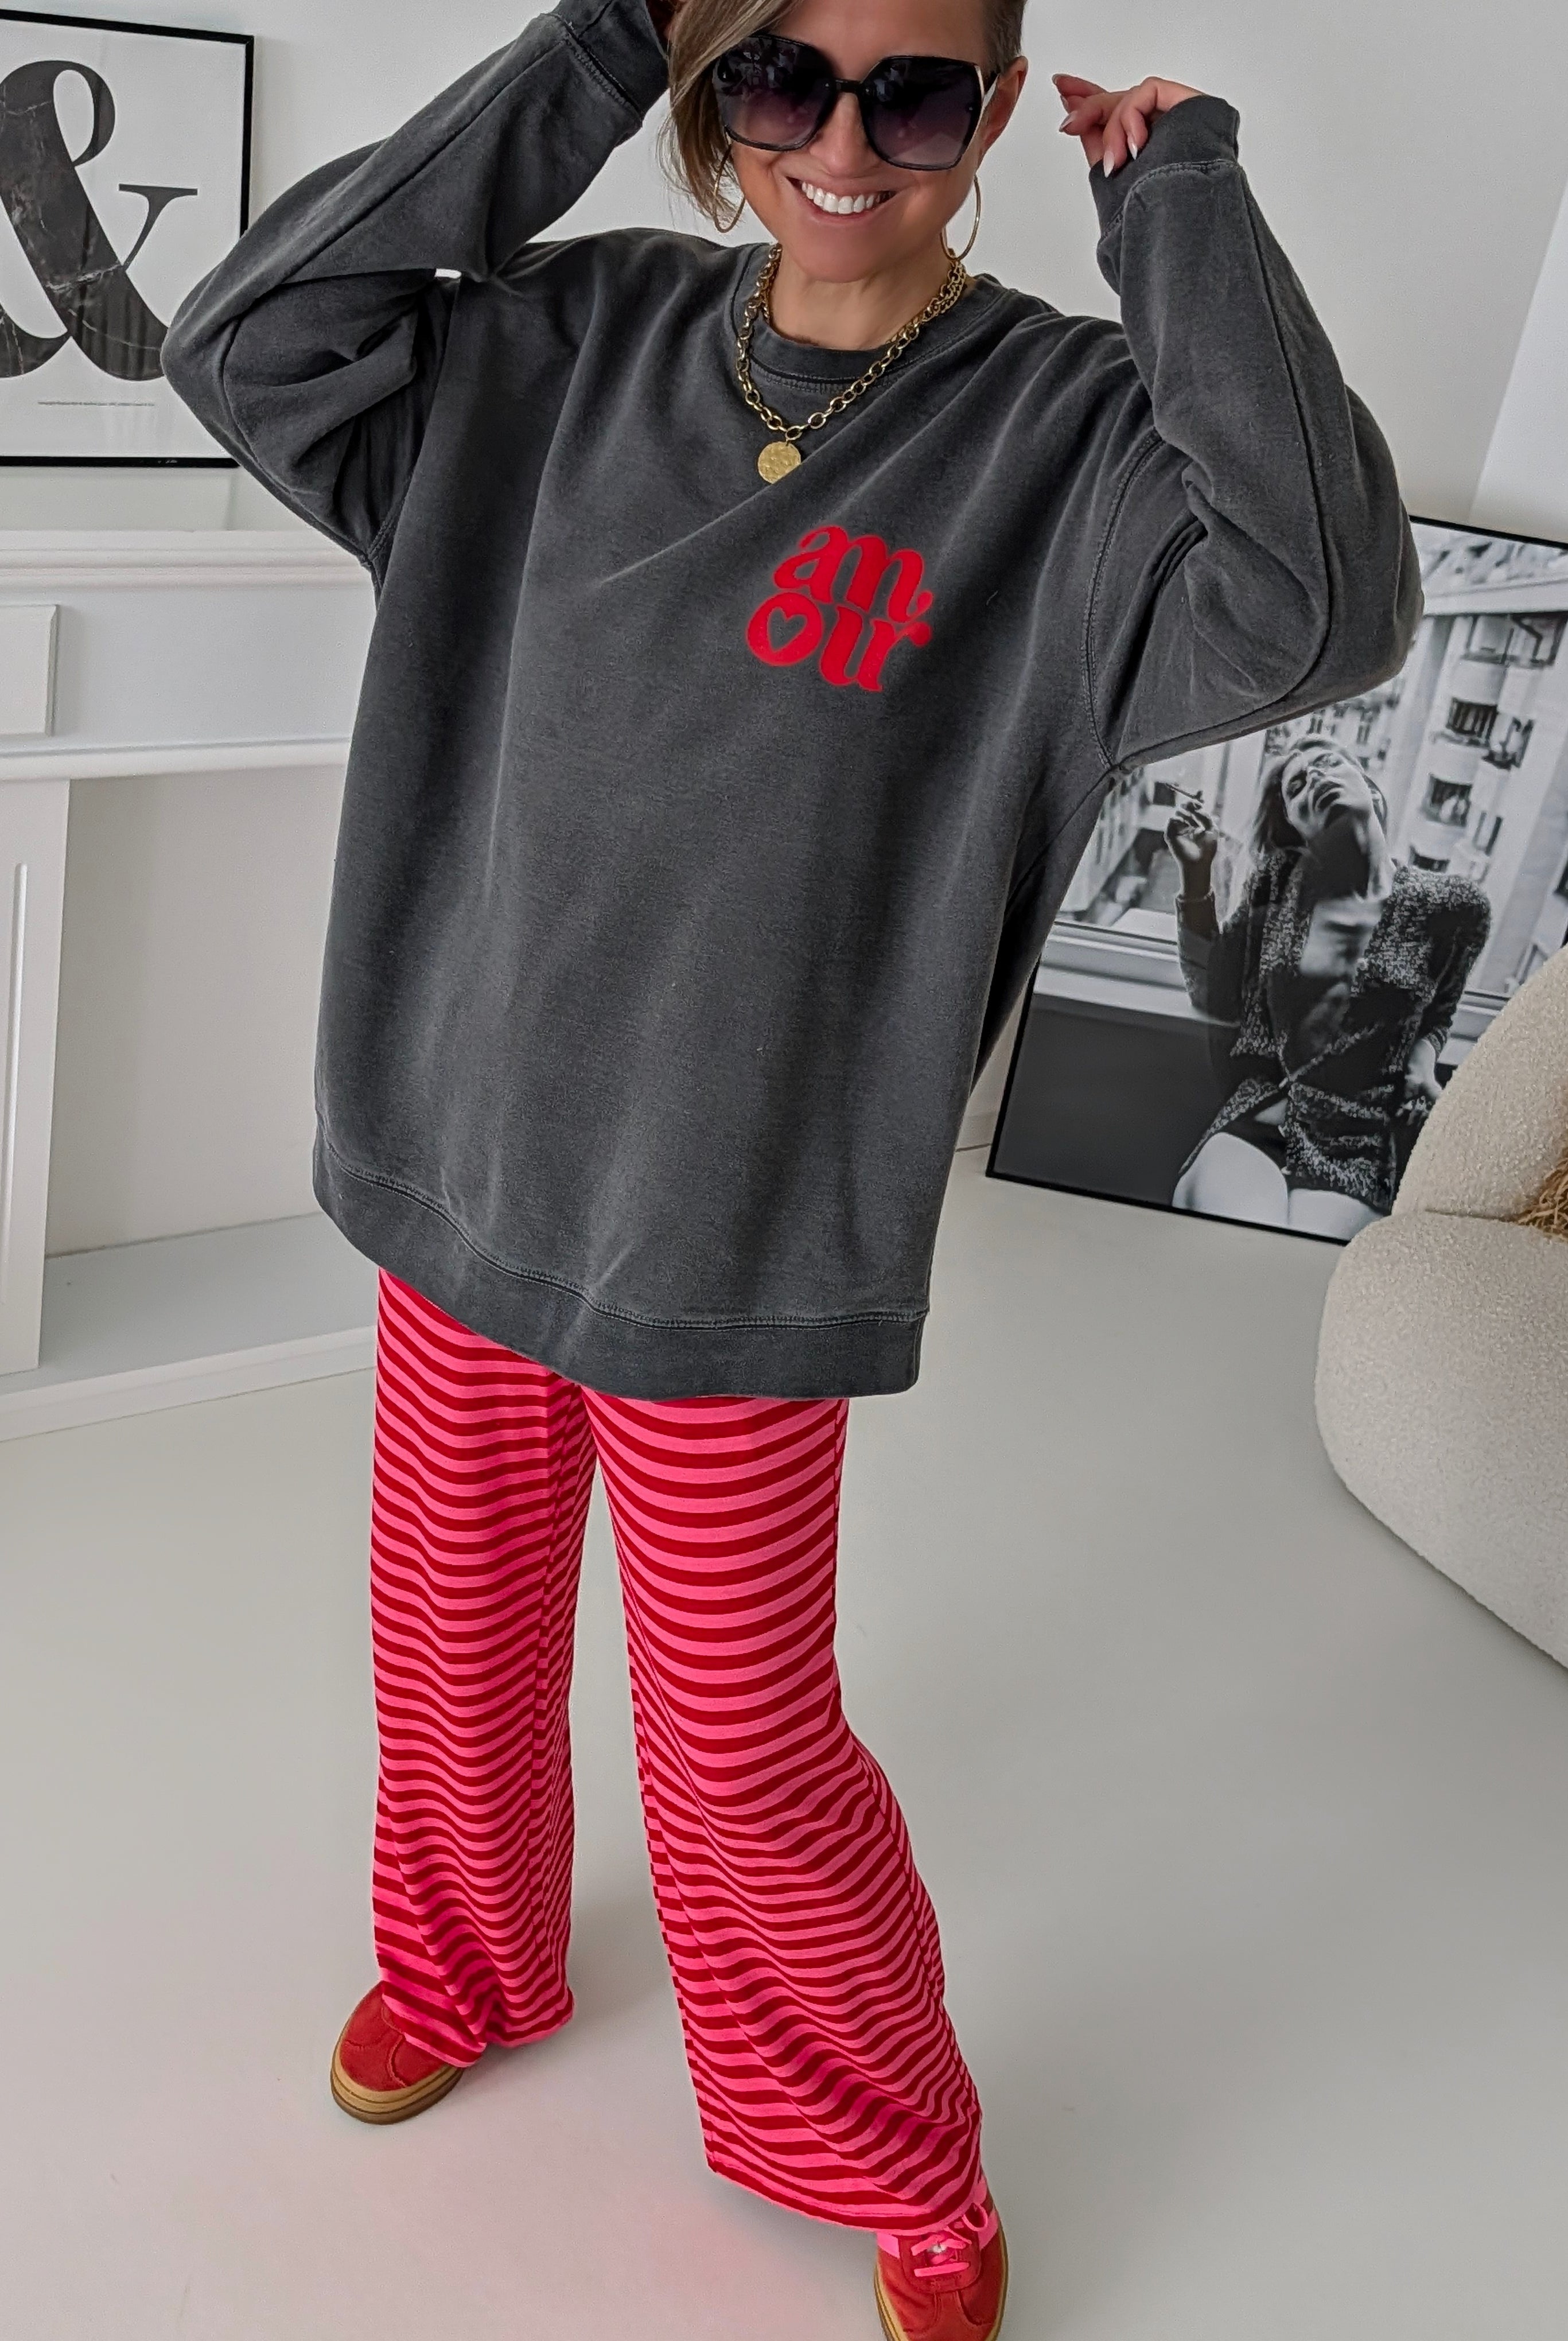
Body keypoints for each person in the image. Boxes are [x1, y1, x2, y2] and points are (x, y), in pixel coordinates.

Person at [162, 1, 1419, 2331]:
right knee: (448, 1641)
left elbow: (1324, 606)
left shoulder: (1059, 437)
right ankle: (464, 1965)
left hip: (741, 1216)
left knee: (738, 1752)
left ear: (987, 115)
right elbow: (246, 338)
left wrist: (1182, 214)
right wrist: (584, 51)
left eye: (913, 91)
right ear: (707, 84)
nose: (842, 139)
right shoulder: (557, 343)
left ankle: (879, 2146)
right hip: (463, 1141)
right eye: (775, 75)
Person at [1167, 736, 1490, 1238]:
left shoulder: (1455, 907)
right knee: (1240, 1246)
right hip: (1256, 1124)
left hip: (1355, 1150)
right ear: (1297, 825)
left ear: (1370, 788)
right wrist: (1195, 875)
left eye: (1326, 763)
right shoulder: (1275, 885)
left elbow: (1437, 1014)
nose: (1314, 778)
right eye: (1296, 786)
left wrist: (1422, 1062)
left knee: (1295, 1270)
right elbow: (1214, 994)